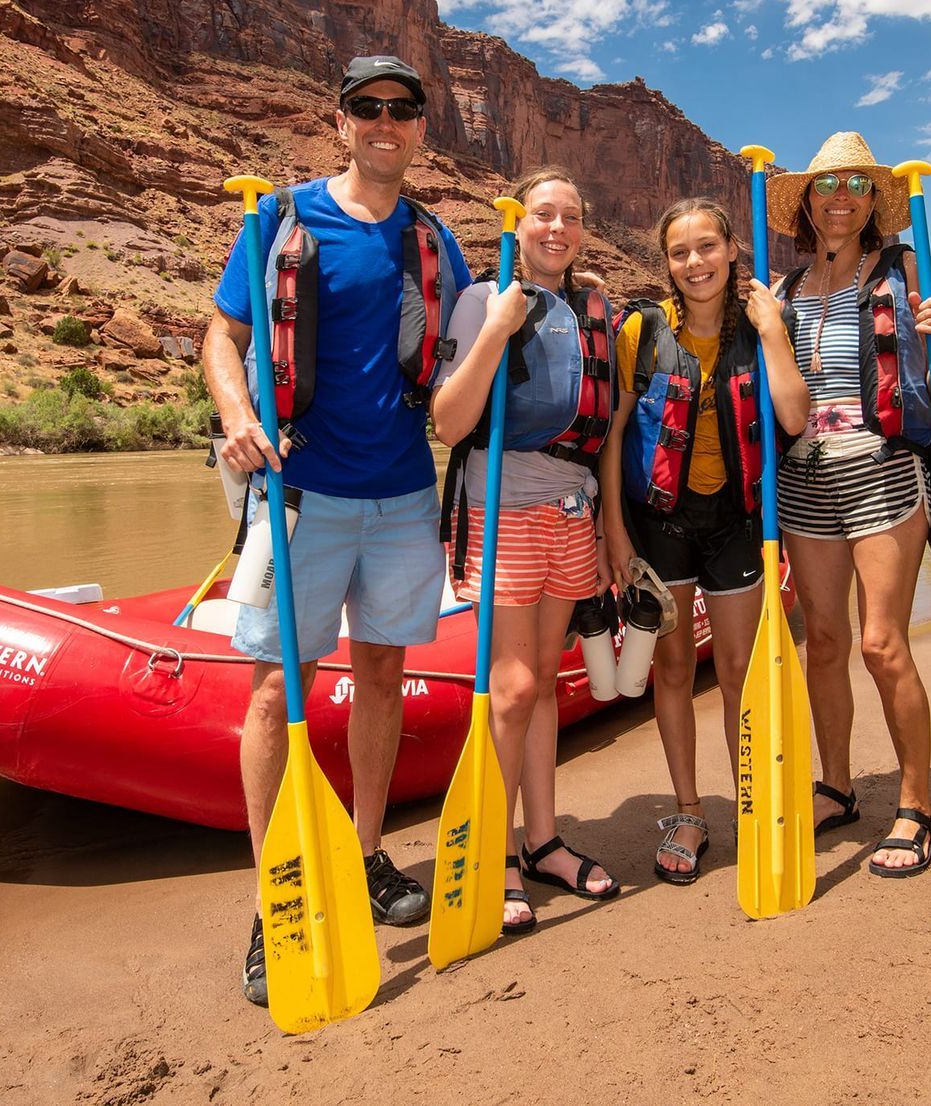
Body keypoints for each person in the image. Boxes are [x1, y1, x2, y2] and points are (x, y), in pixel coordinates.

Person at [203, 55, 472, 1004]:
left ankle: (362, 858)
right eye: (369, 108)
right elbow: (222, 337)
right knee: (279, 691)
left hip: (402, 495)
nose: (386, 123)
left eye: (404, 110)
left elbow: (464, 371)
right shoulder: (279, 220)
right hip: (300, 493)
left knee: (385, 676)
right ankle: (274, 895)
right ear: (342, 119)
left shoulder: (438, 242)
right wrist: (239, 414)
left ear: (420, 128)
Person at [764, 131, 931, 878]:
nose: (841, 198)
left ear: (874, 199)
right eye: (827, 185)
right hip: (805, 481)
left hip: (880, 470)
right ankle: (838, 787)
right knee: (823, 640)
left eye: (855, 185)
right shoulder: (781, 292)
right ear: (807, 202)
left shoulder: (902, 267)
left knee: (881, 643)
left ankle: (916, 804)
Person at [431, 167, 621, 933]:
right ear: (517, 221)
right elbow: (448, 422)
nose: (556, 229)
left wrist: (609, 528)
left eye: (570, 217)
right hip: (503, 508)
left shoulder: (593, 305)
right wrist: (496, 330)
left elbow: (602, 428)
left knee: (543, 680)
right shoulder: (484, 297)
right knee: (511, 687)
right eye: (543, 214)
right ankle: (497, 852)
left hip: (573, 512)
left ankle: (543, 842)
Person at [599, 198, 809, 884]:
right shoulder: (642, 331)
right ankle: (689, 809)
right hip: (660, 522)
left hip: (735, 522)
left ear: (730, 251)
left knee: (741, 668)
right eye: (680, 252)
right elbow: (615, 436)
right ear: (667, 262)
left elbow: (794, 415)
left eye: (707, 248)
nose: (695, 263)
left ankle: (751, 798)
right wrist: (615, 534)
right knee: (677, 667)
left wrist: (774, 331)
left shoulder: (762, 324)